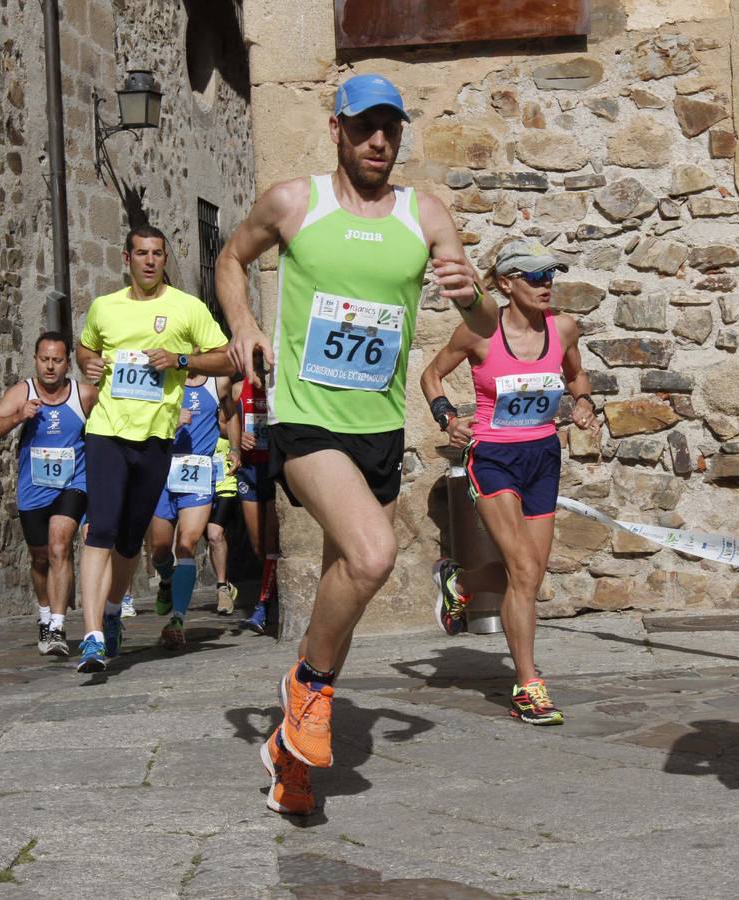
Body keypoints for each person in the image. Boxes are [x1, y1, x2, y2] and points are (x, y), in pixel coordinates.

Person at [213, 73, 497, 816]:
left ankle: (289, 756)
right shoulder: (292, 202)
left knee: (350, 579)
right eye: (367, 127)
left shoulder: (423, 214)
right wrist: (243, 326)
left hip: (377, 429)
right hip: (305, 420)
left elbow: (489, 323)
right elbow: (229, 259)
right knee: (374, 553)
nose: (380, 141)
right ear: (336, 127)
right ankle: (305, 691)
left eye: (392, 129)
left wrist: (470, 293)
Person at [421, 239, 598, 726]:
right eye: (535, 276)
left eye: (550, 276)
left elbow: (578, 377)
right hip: (493, 455)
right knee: (522, 567)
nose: (547, 285)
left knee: (530, 573)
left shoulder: (563, 328)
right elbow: (431, 376)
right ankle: (528, 684)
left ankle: (461, 581)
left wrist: (584, 403)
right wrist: (446, 417)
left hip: (543, 454)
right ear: (505, 283)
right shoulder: (478, 334)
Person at [74, 224, 232, 673]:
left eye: (156, 254)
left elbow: (225, 356)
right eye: (140, 253)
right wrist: (87, 362)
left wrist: (181, 360)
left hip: (157, 439)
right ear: (126, 259)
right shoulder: (105, 307)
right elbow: (85, 351)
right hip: (106, 431)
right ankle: (91, 635)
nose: (148, 260)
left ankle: (110, 610)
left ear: (165, 259)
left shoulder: (188, 308)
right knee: (99, 529)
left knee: (128, 541)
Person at [0, 332, 97, 657]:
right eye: (44, 359)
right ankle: (45, 615)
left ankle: (58, 627)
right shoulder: (23, 392)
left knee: (61, 547)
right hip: (34, 489)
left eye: (57, 360)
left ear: (67, 363)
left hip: (73, 484)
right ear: (36, 360)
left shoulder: (84, 395)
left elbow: (112, 422)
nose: (50, 367)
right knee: (40, 556)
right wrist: (18, 417)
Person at [147, 371, 238, 647]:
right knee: (160, 549)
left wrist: (235, 448)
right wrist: (169, 422)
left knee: (186, 544)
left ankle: (177, 620)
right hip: (162, 471)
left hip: (197, 473)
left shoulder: (218, 382)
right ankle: (166, 580)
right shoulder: (161, 379)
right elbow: (138, 422)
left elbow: (231, 414)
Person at [232, 366, 280, 635]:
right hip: (249, 470)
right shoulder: (239, 389)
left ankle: (263, 605)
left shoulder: (278, 386)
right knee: (258, 543)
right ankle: (270, 593)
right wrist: (238, 437)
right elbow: (223, 420)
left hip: (272, 469)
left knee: (272, 542)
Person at [208, 430, 243, 616]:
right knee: (206, 538)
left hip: (225, 478)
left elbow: (230, 423)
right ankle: (227, 585)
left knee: (215, 534)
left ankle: (222, 587)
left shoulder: (225, 406)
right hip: (198, 478)